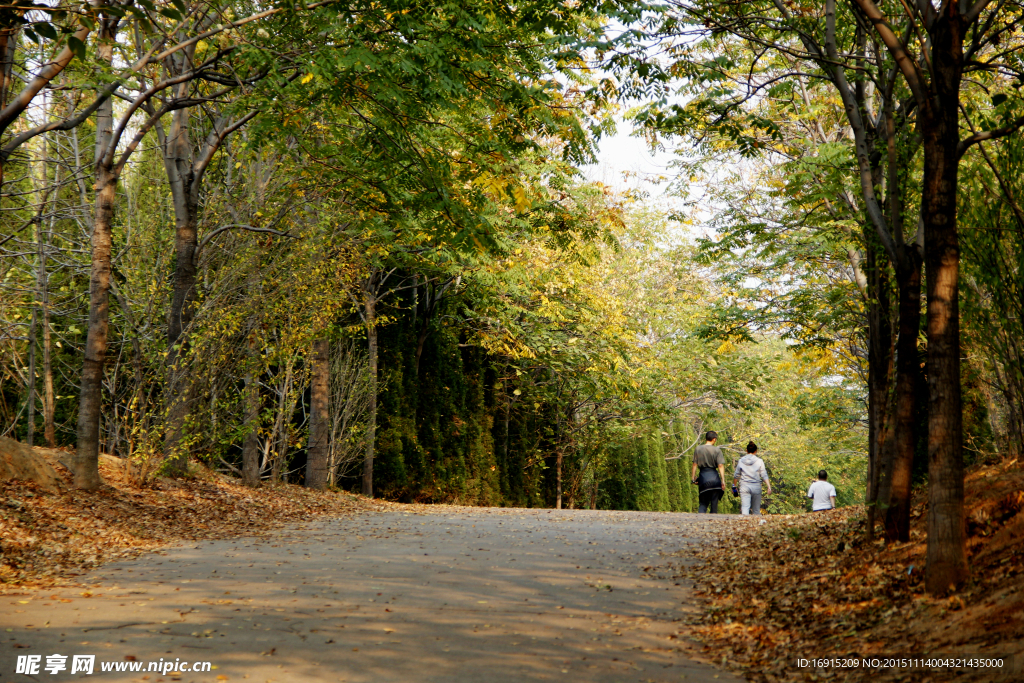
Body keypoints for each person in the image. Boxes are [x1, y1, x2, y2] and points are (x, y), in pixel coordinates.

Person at [691, 431, 725, 513]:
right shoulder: (717, 450)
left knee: (703, 504)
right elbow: (720, 465)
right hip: (715, 479)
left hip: (703, 478)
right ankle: (713, 524)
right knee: (714, 505)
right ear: (714, 439)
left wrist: (693, 478)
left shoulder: (698, 449)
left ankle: (700, 522)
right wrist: (723, 480)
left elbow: (695, 464)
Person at [733, 441, 772, 515]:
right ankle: (757, 526)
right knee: (756, 510)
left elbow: (736, 475)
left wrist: (734, 486)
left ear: (746, 450)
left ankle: (744, 524)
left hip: (744, 486)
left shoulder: (741, 461)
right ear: (756, 451)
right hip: (756, 486)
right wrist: (768, 486)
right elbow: (764, 474)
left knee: (745, 508)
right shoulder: (759, 461)